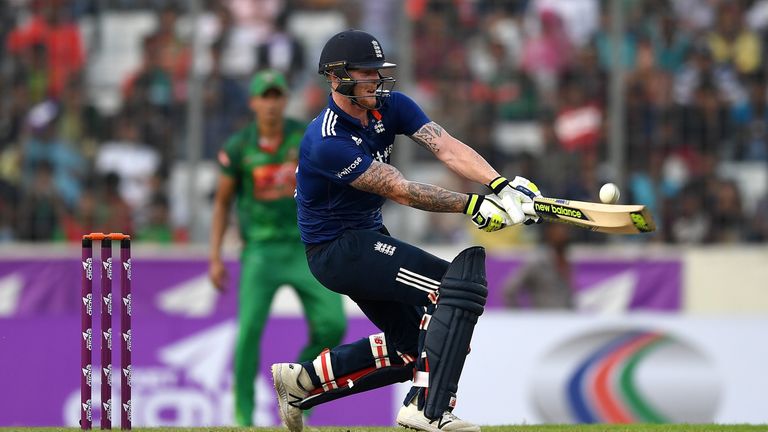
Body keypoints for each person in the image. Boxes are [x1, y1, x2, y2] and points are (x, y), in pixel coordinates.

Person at [269, 30, 542, 432]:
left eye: (378, 72)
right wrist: (472, 204)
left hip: (367, 239)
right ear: (337, 77)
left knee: (413, 349)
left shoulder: (389, 106)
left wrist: (500, 185)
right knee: (453, 287)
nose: (376, 81)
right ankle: (428, 408)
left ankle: (302, 382)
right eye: (366, 73)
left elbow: (445, 146)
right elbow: (399, 188)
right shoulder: (326, 140)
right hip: (337, 250)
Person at [208, 69, 347, 427]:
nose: (270, 103)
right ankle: (244, 417)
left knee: (333, 324)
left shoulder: (304, 137)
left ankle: (298, 391)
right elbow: (222, 203)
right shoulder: (239, 146)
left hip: (307, 247)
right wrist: (215, 258)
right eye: (264, 96)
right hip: (260, 252)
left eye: (276, 96)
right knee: (248, 333)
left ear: (285, 100)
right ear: (253, 102)